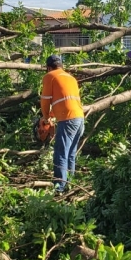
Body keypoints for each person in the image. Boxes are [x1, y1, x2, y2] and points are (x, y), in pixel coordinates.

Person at [40, 55, 85, 193]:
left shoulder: (50, 76)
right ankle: (70, 183)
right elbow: (65, 101)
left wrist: (46, 117)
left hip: (68, 120)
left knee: (60, 153)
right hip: (79, 118)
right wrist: (53, 116)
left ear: (48, 67)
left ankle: (60, 187)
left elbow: (45, 100)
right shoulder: (70, 78)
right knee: (70, 153)